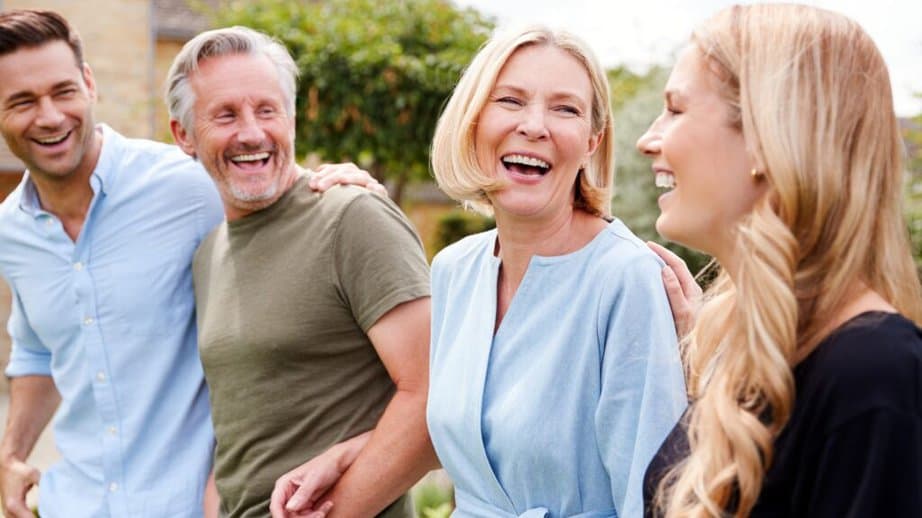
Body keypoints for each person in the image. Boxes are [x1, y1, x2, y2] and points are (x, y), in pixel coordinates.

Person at [0, 10, 381, 518]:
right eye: (22, 101)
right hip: (76, 504)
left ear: (89, 84)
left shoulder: (185, 184)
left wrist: (336, 184)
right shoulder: (10, 232)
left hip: (192, 504)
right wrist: (11, 453)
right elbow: (37, 353)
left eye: (62, 91)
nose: (48, 117)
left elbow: (263, 174)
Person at [636, 4, 922, 517]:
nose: (647, 140)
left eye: (676, 110)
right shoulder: (747, 349)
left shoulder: (873, 371)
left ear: (769, 137)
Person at [165, 26, 436, 518]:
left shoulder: (352, 218)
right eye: (225, 115)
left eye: (267, 110)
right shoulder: (209, 253)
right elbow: (239, 437)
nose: (251, 132)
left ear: (291, 118)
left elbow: (435, 398)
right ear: (183, 134)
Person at [424, 26, 685, 518]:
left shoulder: (625, 279)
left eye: (565, 108)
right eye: (510, 100)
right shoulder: (453, 270)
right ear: (474, 120)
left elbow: (652, 498)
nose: (534, 126)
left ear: (592, 141)